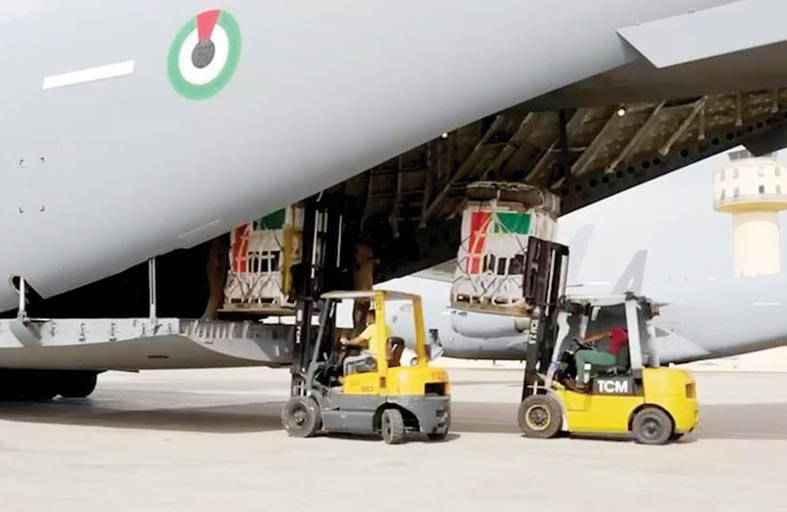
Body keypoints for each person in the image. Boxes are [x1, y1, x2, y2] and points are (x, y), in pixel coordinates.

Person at [341, 309, 393, 375]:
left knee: (347, 362)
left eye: (367, 317)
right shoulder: (387, 327)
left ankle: (349, 380)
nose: (366, 319)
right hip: (384, 359)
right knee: (362, 354)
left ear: (372, 317)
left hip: (374, 359)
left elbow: (357, 341)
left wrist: (346, 341)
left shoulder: (372, 327)